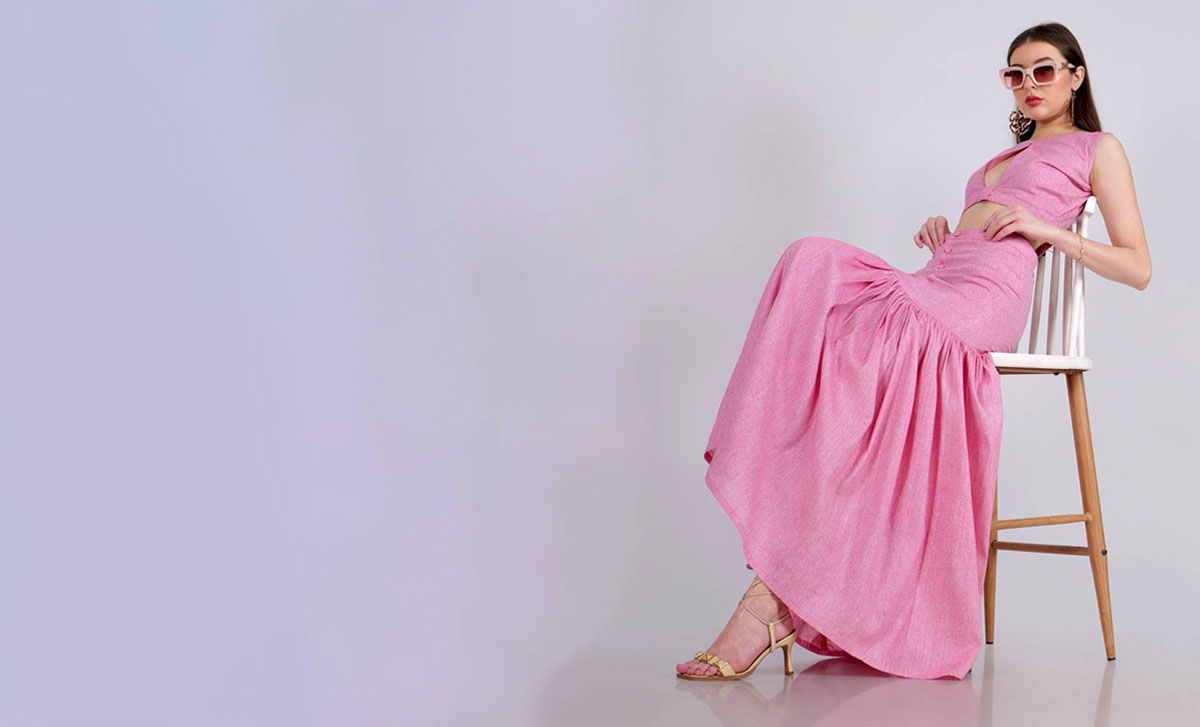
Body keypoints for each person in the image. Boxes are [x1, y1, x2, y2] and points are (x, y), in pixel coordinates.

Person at [676, 22, 1152, 681]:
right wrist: (949, 234)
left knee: (875, 339)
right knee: (812, 261)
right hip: (942, 277)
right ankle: (794, 568)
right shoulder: (1005, 155)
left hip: (987, 299)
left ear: (1076, 75)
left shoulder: (1098, 147)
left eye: (1043, 70)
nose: (1029, 84)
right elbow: (984, 222)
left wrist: (1049, 230)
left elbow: (1138, 266)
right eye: (1015, 74)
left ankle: (772, 603)